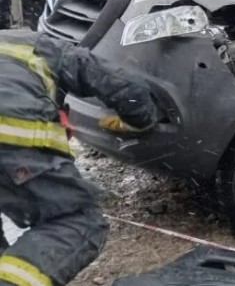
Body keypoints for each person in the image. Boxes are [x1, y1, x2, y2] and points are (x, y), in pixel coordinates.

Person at [0, 29, 159, 286]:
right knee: (80, 223)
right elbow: (123, 85)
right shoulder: (44, 47)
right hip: (10, 128)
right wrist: (141, 120)